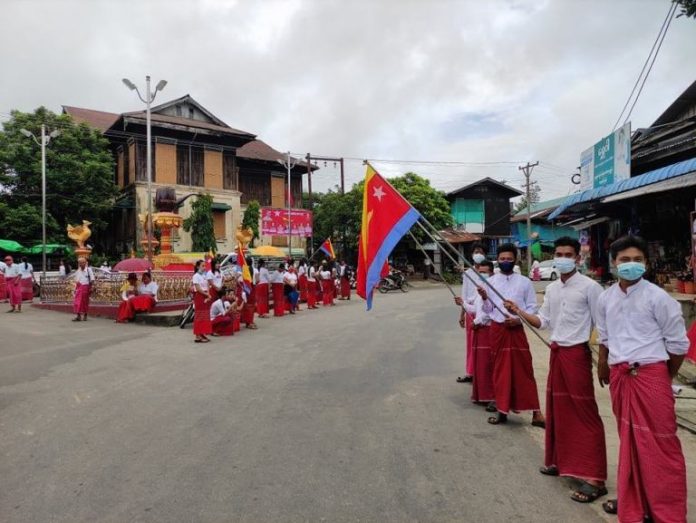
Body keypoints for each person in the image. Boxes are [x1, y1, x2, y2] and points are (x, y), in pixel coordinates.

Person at [504, 237, 607, 503]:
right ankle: (560, 461)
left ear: (577, 258)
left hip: (577, 355)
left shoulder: (590, 288)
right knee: (559, 410)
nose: (562, 258)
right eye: (559, 253)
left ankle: (595, 478)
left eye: (568, 254)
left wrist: (604, 364)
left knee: (584, 413)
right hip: (557, 352)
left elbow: (604, 327)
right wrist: (519, 312)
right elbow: (542, 322)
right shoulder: (552, 289)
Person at [596, 236, 688, 522]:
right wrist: (602, 363)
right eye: (625, 260)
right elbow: (605, 336)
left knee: (661, 444)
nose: (631, 265)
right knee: (631, 441)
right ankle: (634, 501)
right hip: (620, 376)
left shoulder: (659, 298)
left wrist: (662, 376)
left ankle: (667, 512)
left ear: (646, 264)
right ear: (614, 263)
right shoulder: (606, 298)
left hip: (651, 375)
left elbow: (678, 346)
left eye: (638, 260)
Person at [477, 243, 544, 427]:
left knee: (524, 370)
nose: (505, 261)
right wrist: (484, 297)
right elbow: (488, 309)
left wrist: (519, 319)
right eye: (502, 259)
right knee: (499, 371)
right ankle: (502, 410)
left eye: (509, 259)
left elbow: (532, 307)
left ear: (515, 260)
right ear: (497, 260)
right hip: (498, 330)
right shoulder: (491, 282)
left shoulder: (524, 282)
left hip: (516, 330)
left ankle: (536, 413)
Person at [454, 243, 487, 383]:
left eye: (480, 251)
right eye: (475, 252)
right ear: (472, 255)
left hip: (485, 313)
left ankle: (482, 374)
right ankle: (470, 372)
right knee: (471, 343)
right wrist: (462, 314)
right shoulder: (468, 273)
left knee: (484, 345)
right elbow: (464, 295)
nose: (478, 254)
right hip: (470, 311)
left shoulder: (489, 272)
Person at [470, 260, 495, 406]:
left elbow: (491, 311)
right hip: (479, 330)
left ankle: (492, 396)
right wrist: (463, 303)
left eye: (485, 272)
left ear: (491, 272)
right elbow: (476, 309)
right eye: (480, 272)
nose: (483, 275)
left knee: (488, 365)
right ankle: (481, 395)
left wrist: (477, 322)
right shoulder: (479, 289)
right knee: (479, 364)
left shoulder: (494, 288)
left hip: (488, 329)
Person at [192, 260, 213, 343]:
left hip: (205, 295)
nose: (204, 267)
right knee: (199, 316)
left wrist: (208, 293)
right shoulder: (196, 276)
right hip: (200, 297)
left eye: (205, 266)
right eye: (202, 266)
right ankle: (197, 335)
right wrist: (206, 294)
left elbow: (207, 285)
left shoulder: (204, 275)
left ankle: (202, 333)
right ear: (198, 267)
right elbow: (198, 288)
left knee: (205, 316)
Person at [72, 257, 94, 322]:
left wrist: (92, 287)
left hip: (86, 287)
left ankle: (85, 315)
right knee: (77, 302)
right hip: (79, 287)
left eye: (81, 263)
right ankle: (78, 316)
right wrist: (75, 288)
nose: (80, 264)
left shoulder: (88, 270)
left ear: (85, 263)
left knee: (85, 302)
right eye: (79, 263)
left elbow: (92, 279)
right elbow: (76, 280)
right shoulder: (78, 270)